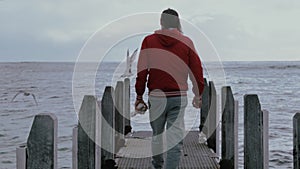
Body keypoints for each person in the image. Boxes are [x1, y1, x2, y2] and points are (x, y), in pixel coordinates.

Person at [135, 8, 204, 169]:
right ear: (178, 22)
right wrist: (198, 93)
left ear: (161, 22)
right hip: (178, 97)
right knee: (175, 140)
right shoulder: (187, 42)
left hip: (156, 97)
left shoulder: (149, 41)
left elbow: (142, 71)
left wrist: (139, 95)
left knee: (157, 136)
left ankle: (157, 166)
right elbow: (196, 71)